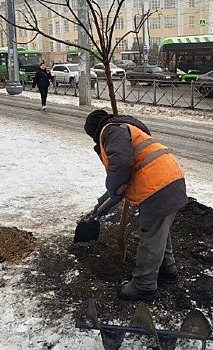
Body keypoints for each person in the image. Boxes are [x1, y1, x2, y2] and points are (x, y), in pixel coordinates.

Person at [84, 109, 188, 302]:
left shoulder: (110, 131)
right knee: (159, 230)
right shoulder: (126, 128)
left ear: (94, 133)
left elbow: (120, 164)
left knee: (150, 234)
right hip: (170, 179)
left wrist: (115, 188)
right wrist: (102, 205)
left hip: (158, 185)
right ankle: (167, 269)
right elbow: (119, 180)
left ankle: (144, 285)